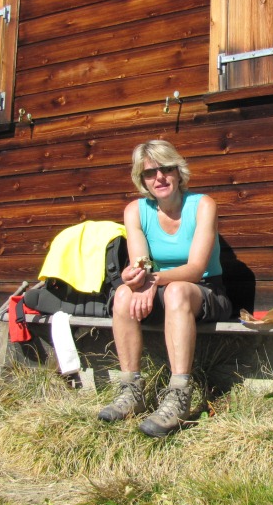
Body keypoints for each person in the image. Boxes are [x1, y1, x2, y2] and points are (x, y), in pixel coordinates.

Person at [97, 140, 232, 437]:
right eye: (149, 173)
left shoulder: (203, 206)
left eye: (166, 169)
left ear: (178, 172)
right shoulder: (135, 210)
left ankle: (179, 395)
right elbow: (142, 262)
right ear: (142, 179)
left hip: (205, 290)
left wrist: (154, 280)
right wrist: (135, 277)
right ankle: (131, 390)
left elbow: (196, 269)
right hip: (161, 289)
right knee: (122, 294)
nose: (159, 178)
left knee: (176, 290)